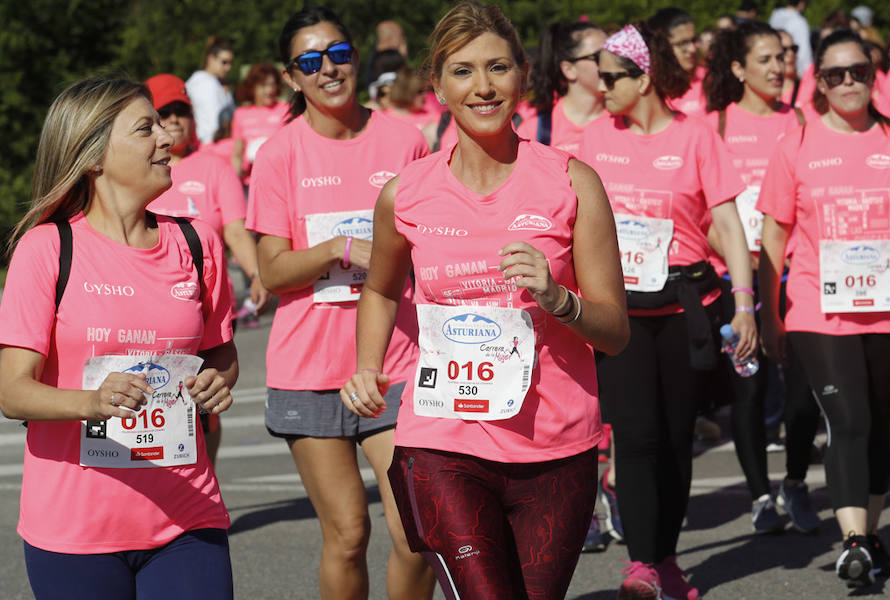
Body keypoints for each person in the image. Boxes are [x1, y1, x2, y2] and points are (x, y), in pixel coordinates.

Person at [341, 2, 629, 598]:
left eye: (498, 67)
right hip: (444, 442)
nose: (484, 86)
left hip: (555, 446)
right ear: (438, 86)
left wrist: (559, 298)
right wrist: (368, 365)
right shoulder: (407, 193)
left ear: (523, 75)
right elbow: (379, 287)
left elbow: (615, 331)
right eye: (464, 71)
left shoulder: (573, 181)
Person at [0, 77, 237, 599]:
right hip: (74, 529)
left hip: (186, 517)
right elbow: (12, 391)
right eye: (145, 128)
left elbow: (220, 354)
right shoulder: (46, 249)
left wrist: (218, 382)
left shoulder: (197, 242)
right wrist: (93, 401)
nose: (167, 138)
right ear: (94, 155)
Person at [246, 7, 434, 599]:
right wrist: (340, 247)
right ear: (292, 77)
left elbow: (429, 244)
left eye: (339, 54)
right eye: (310, 61)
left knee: (415, 534)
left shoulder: (404, 140)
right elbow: (273, 271)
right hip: (309, 371)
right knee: (348, 533)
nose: (328, 69)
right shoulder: (280, 154)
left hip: (396, 362)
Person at [580, 22, 756, 600]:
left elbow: (728, 224)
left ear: (644, 76)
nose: (600, 87)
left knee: (677, 440)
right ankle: (641, 565)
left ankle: (668, 557)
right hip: (620, 312)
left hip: (685, 308)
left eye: (610, 78)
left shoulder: (696, 137)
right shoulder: (595, 138)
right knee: (633, 437)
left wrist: (747, 305)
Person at [758, 29, 890, 589]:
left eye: (858, 71)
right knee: (849, 419)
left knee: (877, 423)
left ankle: (869, 530)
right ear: (819, 82)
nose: (848, 83)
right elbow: (773, 236)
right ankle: (854, 540)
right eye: (835, 74)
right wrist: (768, 314)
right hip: (819, 308)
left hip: (887, 309)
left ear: (873, 74)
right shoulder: (796, 145)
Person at [702, 20, 820, 535]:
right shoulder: (713, 126)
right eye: (766, 59)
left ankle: (794, 482)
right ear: (738, 68)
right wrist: (735, 253)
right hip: (734, 280)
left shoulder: (800, 119)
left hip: (794, 275)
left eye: (782, 57)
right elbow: (698, 212)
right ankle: (758, 496)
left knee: (801, 392)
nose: (778, 68)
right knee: (749, 392)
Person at [144, 73, 267, 462]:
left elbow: (234, 228)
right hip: (144, 304)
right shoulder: (137, 170)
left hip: (200, 307)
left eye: (183, 111)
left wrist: (255, 272)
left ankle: (202, 480)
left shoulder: (214, 168)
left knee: (203, 401)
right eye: (165, 112)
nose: (176, 119)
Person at [517, 20, 608, 155]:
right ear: (569, 69)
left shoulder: (627, 121)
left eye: (613, 55)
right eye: (599, 56)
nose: (610, 63)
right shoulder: (536, 130)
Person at [231, 63, 290, 187]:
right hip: (250, 182)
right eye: (264, 86)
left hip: (279, 181)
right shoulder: (240, 113)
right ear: (253, 87)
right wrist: (235, 180)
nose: (269, 90)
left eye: (272, 85)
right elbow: (237, 153)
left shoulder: (285, 109)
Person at [649, 8, 706, 118]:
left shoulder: (710, 79)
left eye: (694, 40)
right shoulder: (650, 87)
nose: (692, 49)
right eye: (682, 43)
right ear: (662, 46)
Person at [186, 36, 236, 145]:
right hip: (210, 144)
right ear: (211, 59)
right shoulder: (205, 83)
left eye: (230, 63)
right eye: (224, 62)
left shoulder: (214, 83)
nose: (228, 67)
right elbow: (214, 121)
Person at [769, 1, 813, 74]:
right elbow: (804, 53)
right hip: (793, 72)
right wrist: (806, 75)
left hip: (775, 67)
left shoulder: (775, 17)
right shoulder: (799, 22)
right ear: (801, 3)